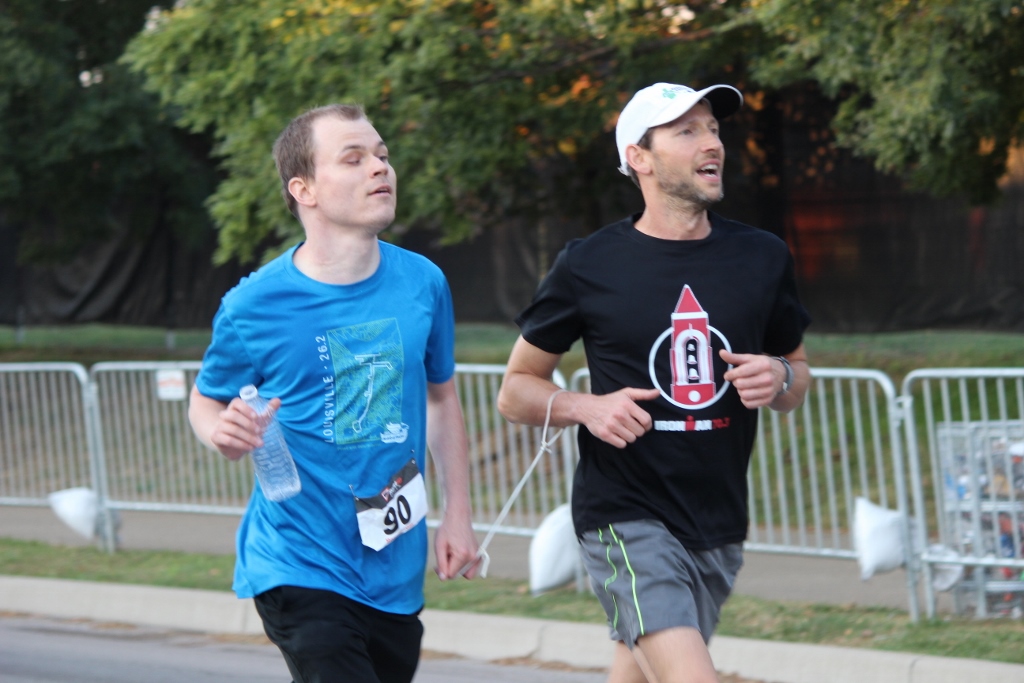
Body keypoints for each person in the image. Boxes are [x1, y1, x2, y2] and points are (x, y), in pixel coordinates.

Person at [497, 82, 811, 683]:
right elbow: (516, 391)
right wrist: (585, 407)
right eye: (686, 131)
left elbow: (798, 381)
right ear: (639, 158)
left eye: (713, 129)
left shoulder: (763, 256)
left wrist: (777, 376)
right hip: (625, 514)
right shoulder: (589, 264)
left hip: (716, 518)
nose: (711, 141)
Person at [188, 103, 479, 683]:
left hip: (394, 561)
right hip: (298, 560)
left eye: (382, 155)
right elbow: (207, 399)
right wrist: (219, 432)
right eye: (354, 158)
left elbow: (442, 399)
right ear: (305, 189)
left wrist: (459, 517)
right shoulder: (253, 305)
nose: (380, 168)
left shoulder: (423, 282)